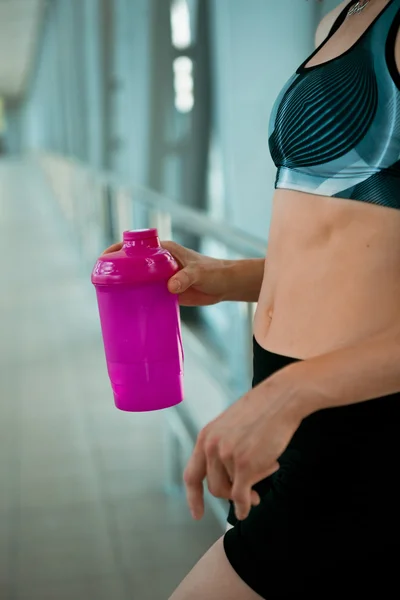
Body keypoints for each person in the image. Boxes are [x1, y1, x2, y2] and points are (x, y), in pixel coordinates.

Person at [106, 0, 400, 596]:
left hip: (355, 417)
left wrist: (291, 396)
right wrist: (229, 276)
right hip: (290, 405)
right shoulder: (343, 18)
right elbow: (345, 247)